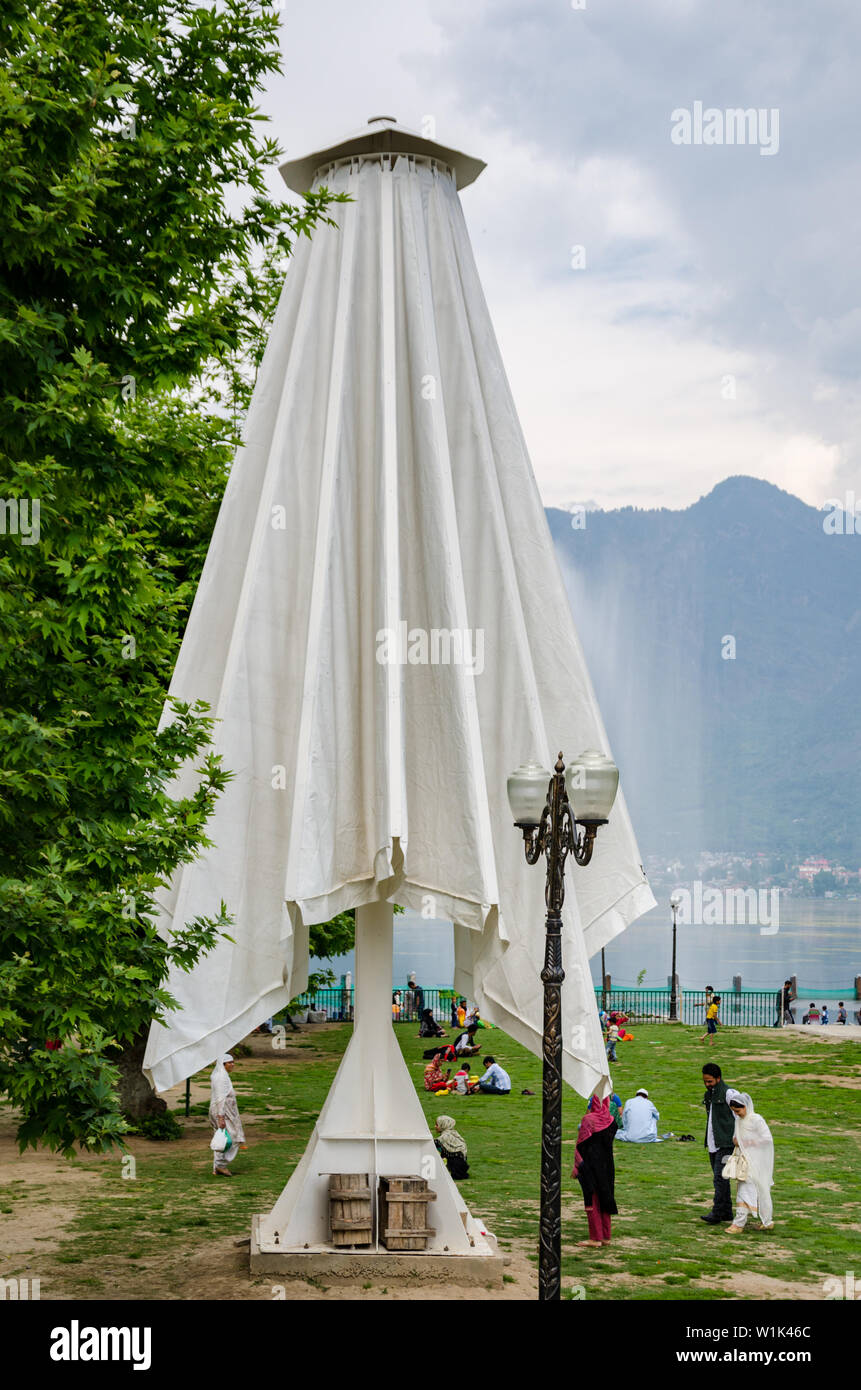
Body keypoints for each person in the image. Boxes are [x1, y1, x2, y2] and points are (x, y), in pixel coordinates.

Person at [725, 1090, 775, 1233]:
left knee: (749, 1189)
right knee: (745, 1188)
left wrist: (748, 1142)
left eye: (738, 1110)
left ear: (746, 1106)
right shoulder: (738, 1121)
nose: (737, 1114)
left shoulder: (756, 1119)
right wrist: (737, 1141)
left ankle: (739, 1223)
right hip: (743, 1160)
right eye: (734, 1111)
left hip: (755, 1161)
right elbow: (736, 1139)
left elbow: (766, 1139)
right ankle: (765, 1221)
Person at [572, 1096, 618, 1245]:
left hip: (590, 1165)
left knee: (592, 1199)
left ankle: (595, 1237)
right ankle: (606, 1236)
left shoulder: (588, 1120)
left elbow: (581, 1145)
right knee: (606, 1196)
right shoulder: (611, 1120)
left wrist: (577, 1165)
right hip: (607, 1164)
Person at [700, 1062, 735, 1223]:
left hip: (726, 1143)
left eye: (710, 1081)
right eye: (705, 1081)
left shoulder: (729, 1094)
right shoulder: (710, 1095)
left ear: (718, 1078)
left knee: (719, 1178)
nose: (707, 1084)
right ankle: (726, 1211)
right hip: (713, 1143)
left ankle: (717, 1212)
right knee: (722, 1178)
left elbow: (742, 1114)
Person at [209, 1054, 245, 1178]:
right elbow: (220, 1098)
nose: (232, 1065)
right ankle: (221, 1165)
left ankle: (217, 1167)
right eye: (229, 1063)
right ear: (223, 1065)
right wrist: (221, 1117)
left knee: (221, 1138)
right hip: (223, 1112)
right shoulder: (221, 1078)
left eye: (233, 1062)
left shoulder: (223, 1076)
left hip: (225, 1112)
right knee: (233, 1138)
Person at [434, 1115, 469, 1180]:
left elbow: (434, 1146)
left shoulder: (444, 1137)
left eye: (437, 1125)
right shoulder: (454, 1133)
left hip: (455, 1169)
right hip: (462, 1167)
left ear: (443, 1125)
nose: (435, 1127)